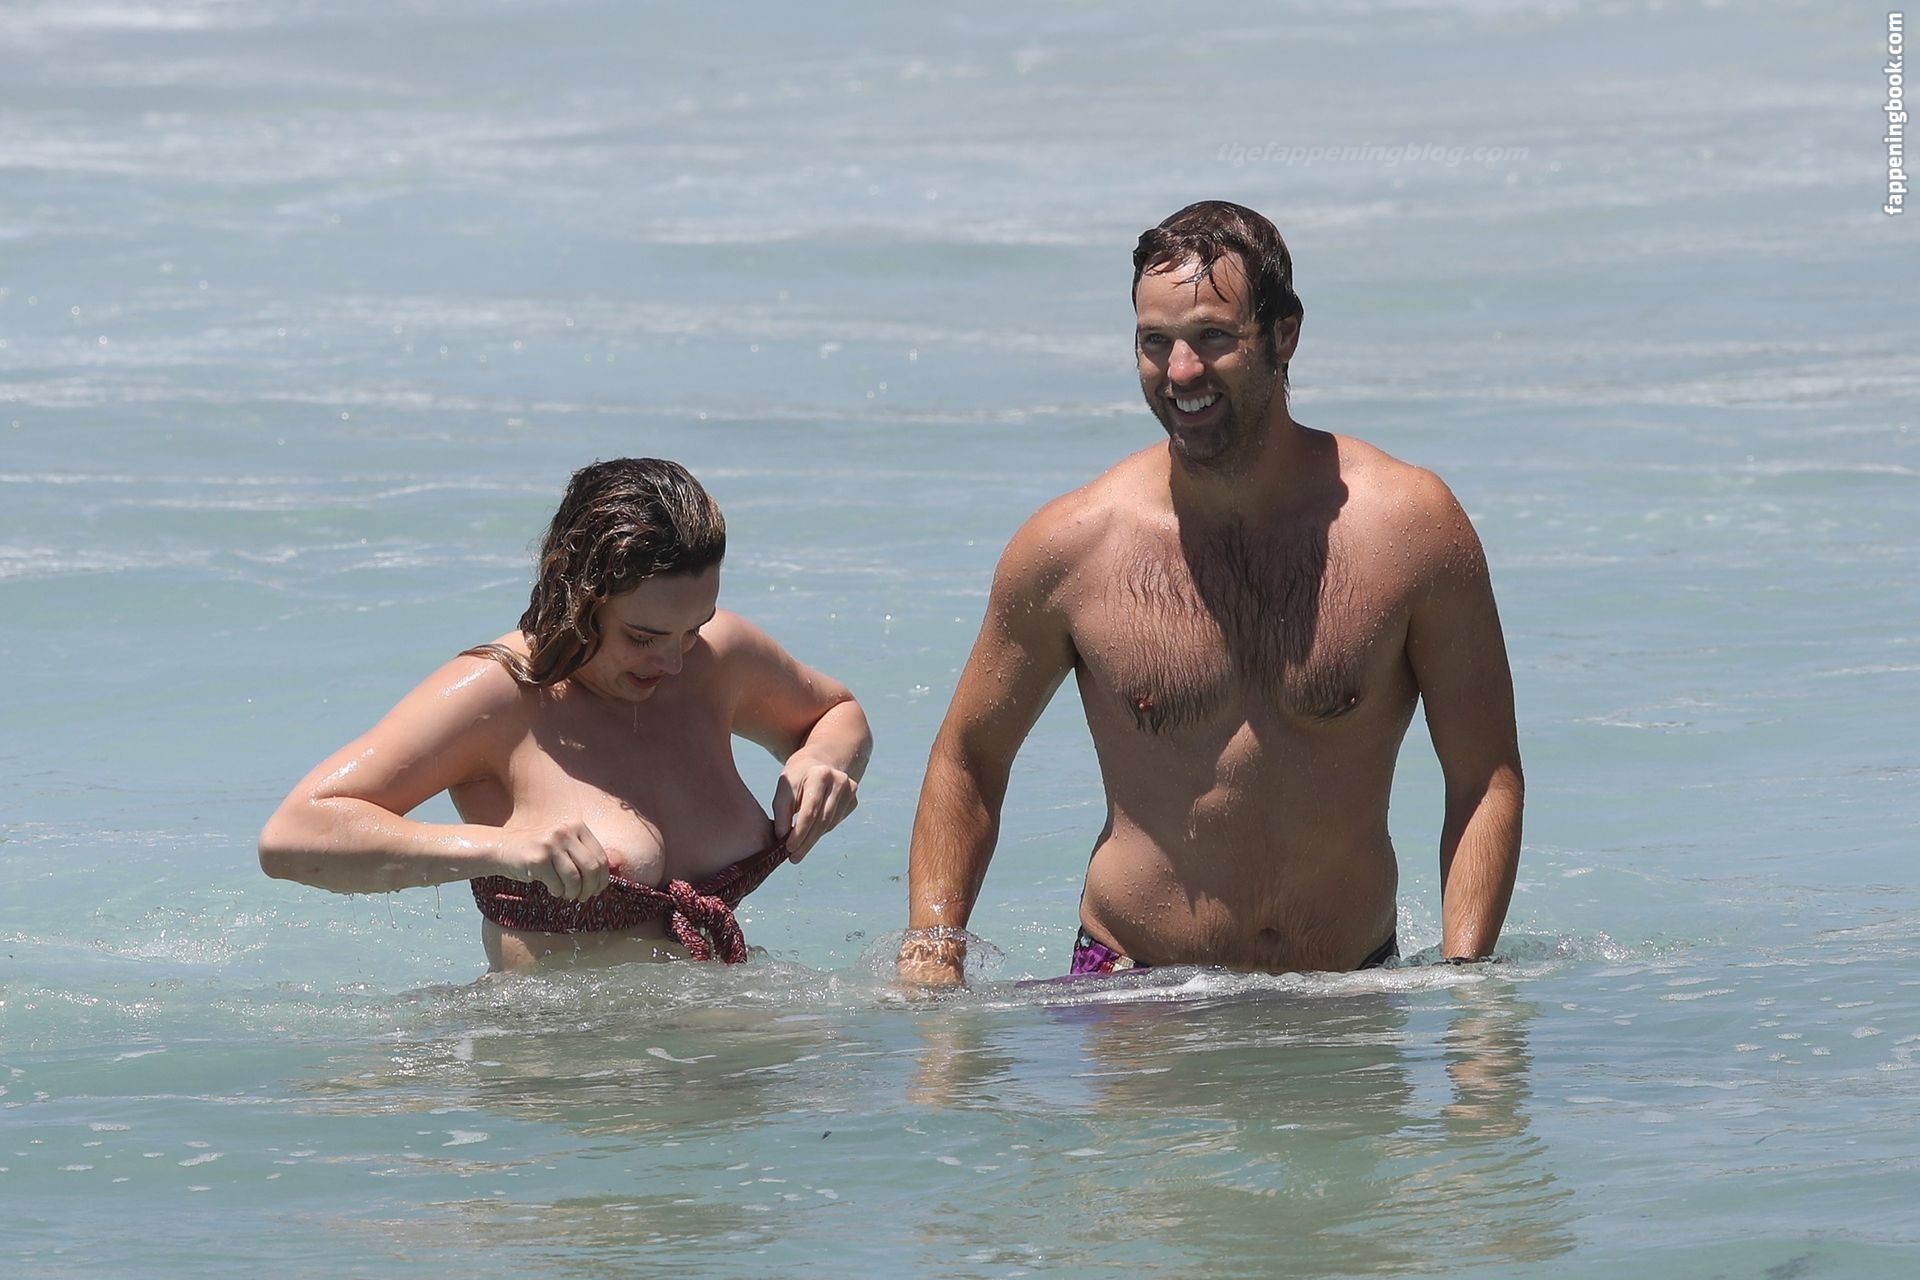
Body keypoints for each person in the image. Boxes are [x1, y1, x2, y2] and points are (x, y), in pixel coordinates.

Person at [898, 200, 1522, 984]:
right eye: (1154, 343)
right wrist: (932, 954)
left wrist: (1467, 987)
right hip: (1132, 991)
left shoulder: (1411, 528)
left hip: (1347, 990)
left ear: (1285, 335)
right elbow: (969, 759)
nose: (1182, 372)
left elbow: (1485, 775)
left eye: (1214, 338)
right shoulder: (1071, 548)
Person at [260, 457, 870, 970]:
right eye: (642, 636)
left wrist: (820, 760)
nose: (674, 662)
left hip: (722, 1046)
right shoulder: (495, 695)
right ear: (578, 598)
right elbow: (293, 837)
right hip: (559, 1060)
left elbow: (838, 712)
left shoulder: (717, 658)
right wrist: (501, 849)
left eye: (693, 627)